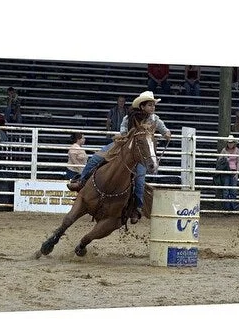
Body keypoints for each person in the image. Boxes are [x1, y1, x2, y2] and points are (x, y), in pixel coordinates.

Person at [67, 91, 172, 224]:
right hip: (123, 145)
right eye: (150, 105)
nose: (153, 107)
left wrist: (167, 133)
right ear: (142, 106)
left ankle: (137, 208)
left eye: (153, 105)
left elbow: (164, 130)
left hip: (140, 152)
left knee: (140, 180)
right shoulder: (129, 118)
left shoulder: (154, 119)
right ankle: (81, 182)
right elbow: (123, 131)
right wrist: (126, 139)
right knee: (96, 158)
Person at [220, 135, 239, 211]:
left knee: (233, 190)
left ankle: (232, 207)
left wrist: (237, 172)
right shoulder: (224, 150)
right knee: (226, 190)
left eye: (231, 143)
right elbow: (220, 160)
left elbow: (238, 162)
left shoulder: (237, 150)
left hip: (233, 171)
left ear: (234, 143)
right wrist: (225, 160)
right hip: (226, 171)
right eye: (229, 142)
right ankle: (227, 207)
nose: (230, 144)